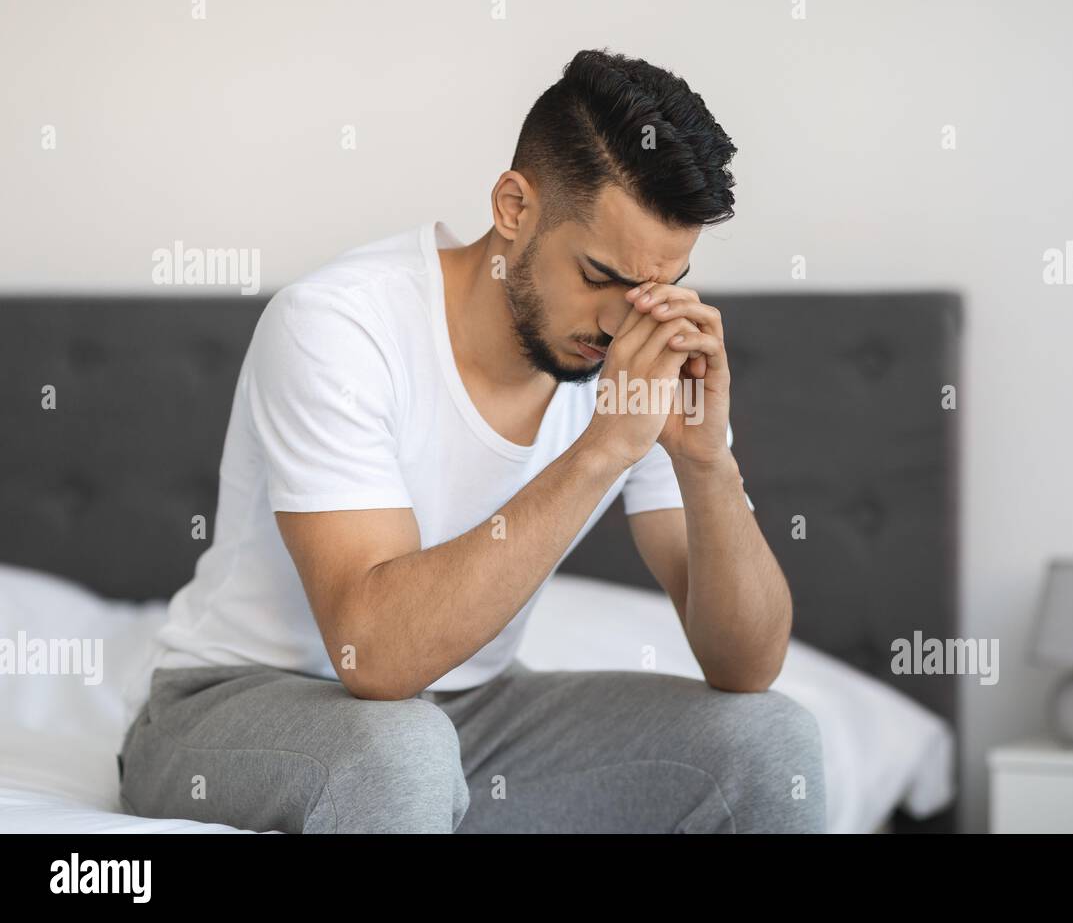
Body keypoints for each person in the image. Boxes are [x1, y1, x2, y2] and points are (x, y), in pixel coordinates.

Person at [118, 48, 826, 833]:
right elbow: (374, 655)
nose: (623, 321)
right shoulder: (338, 325)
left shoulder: (639, 363)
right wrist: (599, 452)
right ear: (514, 207)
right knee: (403, 751)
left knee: (770, 740)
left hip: (467, 715)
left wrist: (706, 461)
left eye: (655, 288)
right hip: (231, 703)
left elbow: (745, 664)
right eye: (599, 276)